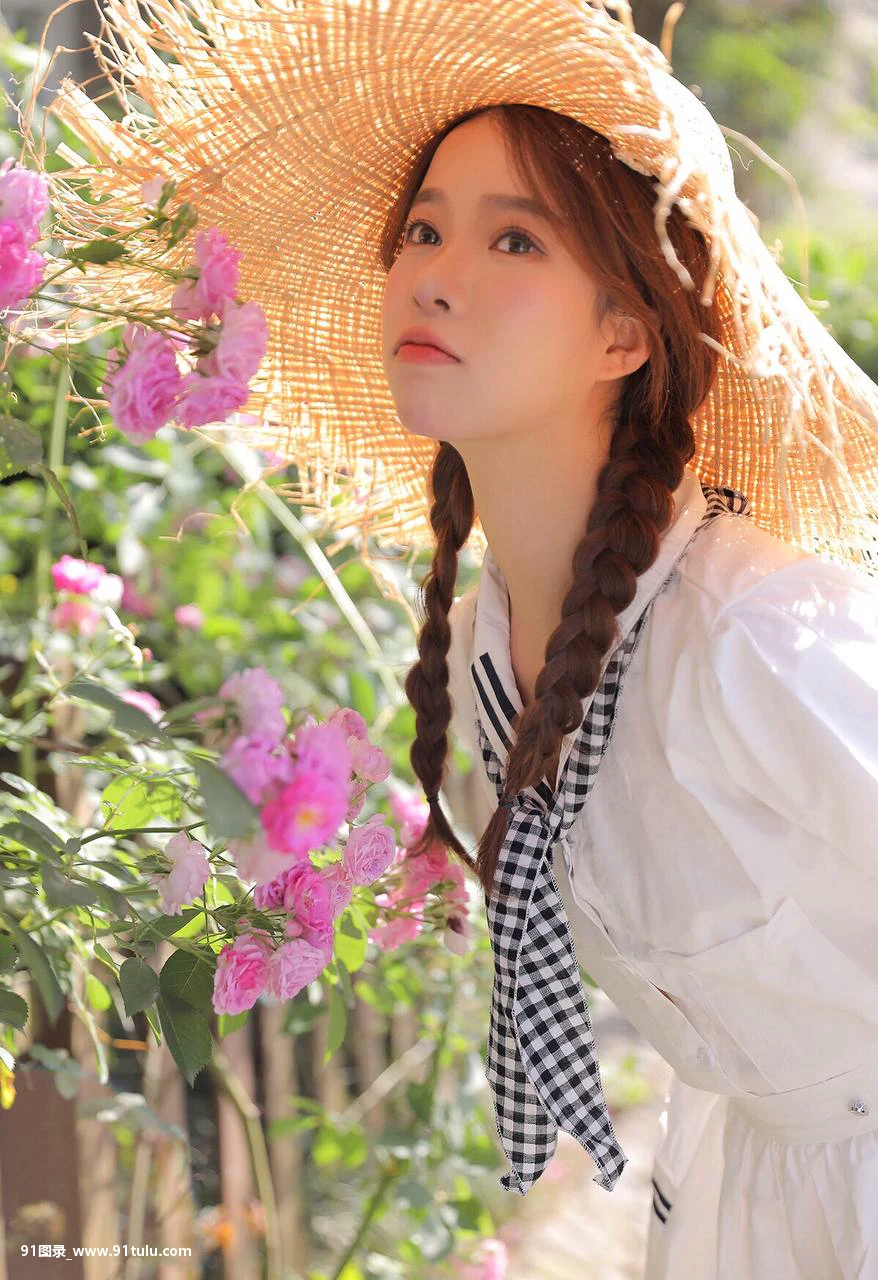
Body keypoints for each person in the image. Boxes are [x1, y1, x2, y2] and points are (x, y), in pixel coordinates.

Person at [30, 0, 878, 1274]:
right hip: (736, 1200)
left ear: (623, 331)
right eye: (421, 228)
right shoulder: (493, 645)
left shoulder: (749, 637)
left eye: (513, 238)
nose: (432, 273)